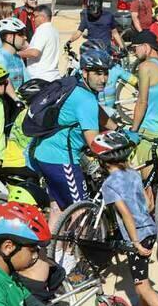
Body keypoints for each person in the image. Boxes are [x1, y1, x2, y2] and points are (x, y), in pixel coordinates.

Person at [89, 131, 158, 306]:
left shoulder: (109, 185)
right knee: (142, 280)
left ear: (103, 162)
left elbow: (125, 215)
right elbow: (148, 204)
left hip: (138, 236)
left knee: (141, 286)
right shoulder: (133, 174)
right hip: (149, 229)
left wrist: (134, 243)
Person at [33, 44, 110, 219]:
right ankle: (78, 247)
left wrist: (118, 129)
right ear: (85, 72)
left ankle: (55, 247)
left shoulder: (77, 86)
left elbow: (99, 114)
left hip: (43, 153)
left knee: (58, 209)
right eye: (97, 73)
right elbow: (94, 143)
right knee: (81, 211)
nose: (103, 79)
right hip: (61, 159)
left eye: (105, 73)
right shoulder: (86, 99)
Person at [127, 30, 158, 175]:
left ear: (146, 47)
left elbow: (142, 102)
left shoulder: (145, 67)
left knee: (147, 187)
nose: (134, 52)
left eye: (135, 48)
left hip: (147, 133)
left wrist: (134, 130)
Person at [19, 5, 61, 82]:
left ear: (43, 16)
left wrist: (16, 54)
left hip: (40, 78)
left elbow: (35, 53)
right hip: (52, 77)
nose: (33, 19)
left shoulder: (42, 30)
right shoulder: (54, 30)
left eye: (35, 16)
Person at [0, 17, 28, 95]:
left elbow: (27, 80)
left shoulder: (17, 57)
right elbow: (1, 86)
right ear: (9, 38)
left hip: (18, 102)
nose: (25, 37)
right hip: (4, 104)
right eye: (21, 34)